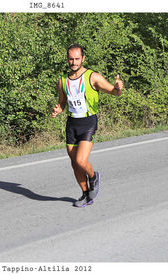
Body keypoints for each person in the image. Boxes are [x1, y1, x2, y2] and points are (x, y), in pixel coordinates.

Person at [52, 44, 123, 207]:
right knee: (74, 163)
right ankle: (85, 195)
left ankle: (93, 177)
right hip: (72, 123)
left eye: (77, 59)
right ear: (67, 59)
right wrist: (58, 109)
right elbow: (62, 102)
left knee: (81, 160)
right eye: (71, 59)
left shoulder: (92, 77)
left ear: (83, 59)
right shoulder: (62, 80)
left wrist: (118, 88)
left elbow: (113, 91)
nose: (74, 62)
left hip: (88, 122)